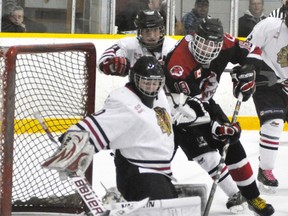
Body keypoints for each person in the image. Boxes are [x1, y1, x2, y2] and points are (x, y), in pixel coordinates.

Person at [98, 9, 247, 214]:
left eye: (156, 30)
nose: (151, 35)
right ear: (138, 31)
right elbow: (105, 58)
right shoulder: (129, 45)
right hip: (148, 113)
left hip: (180, 111)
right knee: (150, 158)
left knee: (205, 153)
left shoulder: (173, 47)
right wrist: (111, 64)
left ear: (162, 30)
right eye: (146, 30)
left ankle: (233, 193)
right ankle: (135, 190)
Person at [164, 17, 275, 216]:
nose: (206, 50)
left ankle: (252, 196)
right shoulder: (178, 62)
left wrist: (249, 70)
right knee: (188, 155)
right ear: (194, 37)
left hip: (204, 103)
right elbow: (187, 106)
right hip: (174, 110)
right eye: (203, 44)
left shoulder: (227, 42)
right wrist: (216, 126)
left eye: (211, 45)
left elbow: (254, 49)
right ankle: (147, 191)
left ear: (219, 42)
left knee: (232, 142)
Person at [42, 56, 179, 201]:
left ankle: (119, 198)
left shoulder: (160, 95)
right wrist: (71, 148)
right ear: (135, 80)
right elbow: (98, 124)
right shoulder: (125, 103)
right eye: (146, 83)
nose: (151, 88)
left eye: (155, 83)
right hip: (139, 174)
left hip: (160, 173)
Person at [246, 8, 288, 194]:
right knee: (274, 122)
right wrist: (253, 69)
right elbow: (249, 47)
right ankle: (266, 169)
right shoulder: (270, 26)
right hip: (267, 83)